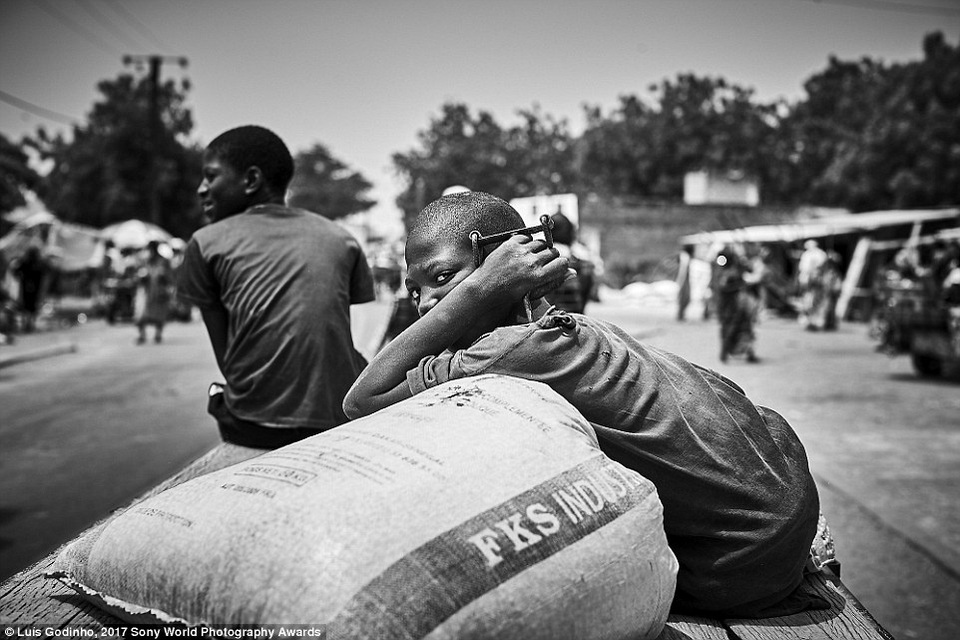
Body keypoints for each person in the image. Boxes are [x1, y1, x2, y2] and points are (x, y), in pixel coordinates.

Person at [344, 191, 823, 619]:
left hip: (730, 568)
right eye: (414, 290)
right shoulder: (572, 327)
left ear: (502, 263)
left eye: (443, 278)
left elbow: (362, 399)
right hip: (788, 512)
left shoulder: (509, 351)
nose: (427, 304)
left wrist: (479, 290)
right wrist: (474, 286)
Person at [177, 125, 375, 449]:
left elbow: (230, 361)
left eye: (210, 177)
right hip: (338, 414)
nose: (201, 189)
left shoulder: (205, 243)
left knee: (223, 394)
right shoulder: (341, 239)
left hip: (255, 424)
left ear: (251, 181)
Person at [715, 248, 759, 363]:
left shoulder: (736, 271)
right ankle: (725, 352)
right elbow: (721, 287)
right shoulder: (721, 271)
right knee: (728, 329)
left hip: (736, 305)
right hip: (726, 305)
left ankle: (747, 352)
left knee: (742, 328)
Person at [134, 240, 174, 344]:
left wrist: (163, 276)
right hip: (145, 292)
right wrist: (142, 276)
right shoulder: (143, 261)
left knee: (159, 313)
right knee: (140, 314)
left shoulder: (164, 261)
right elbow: (136, 276)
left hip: (159, 291)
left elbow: (170, 278)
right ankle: (142, 335)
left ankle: (158, 334)